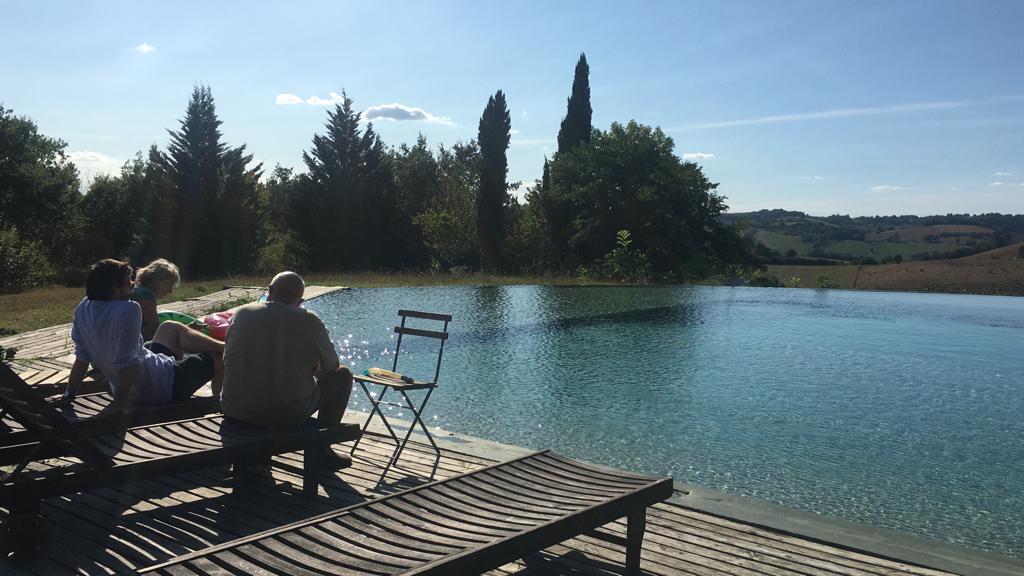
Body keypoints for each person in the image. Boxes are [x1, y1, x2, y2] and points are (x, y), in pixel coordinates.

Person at [55, 259, 225, 416]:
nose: (133, 284)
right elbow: (128, 363)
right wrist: (118, 407)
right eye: (128, 282)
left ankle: (223, 345)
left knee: (169, 328)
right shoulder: (128, 309)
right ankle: (220, 404)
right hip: (163, 387)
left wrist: (69, 395)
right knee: (220, 358)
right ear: (114, 289)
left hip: (133, 386)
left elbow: (82, 359)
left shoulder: (83, 308)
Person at [220, 271, 353, 469]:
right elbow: (332, 367)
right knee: (343, 375)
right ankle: (323, 449)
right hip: (284, 415)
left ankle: (258, 458)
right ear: (300, 300)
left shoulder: (242, 314)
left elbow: (229, 358)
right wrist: (311, 367)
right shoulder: (310, 321)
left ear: (270, 291)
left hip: (236, 409)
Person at [131, 258, 183, 341]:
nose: (170, 291)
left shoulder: (138, 290)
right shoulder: (146, 295)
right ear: (159, 281)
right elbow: (155, 328)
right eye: (169, 285)